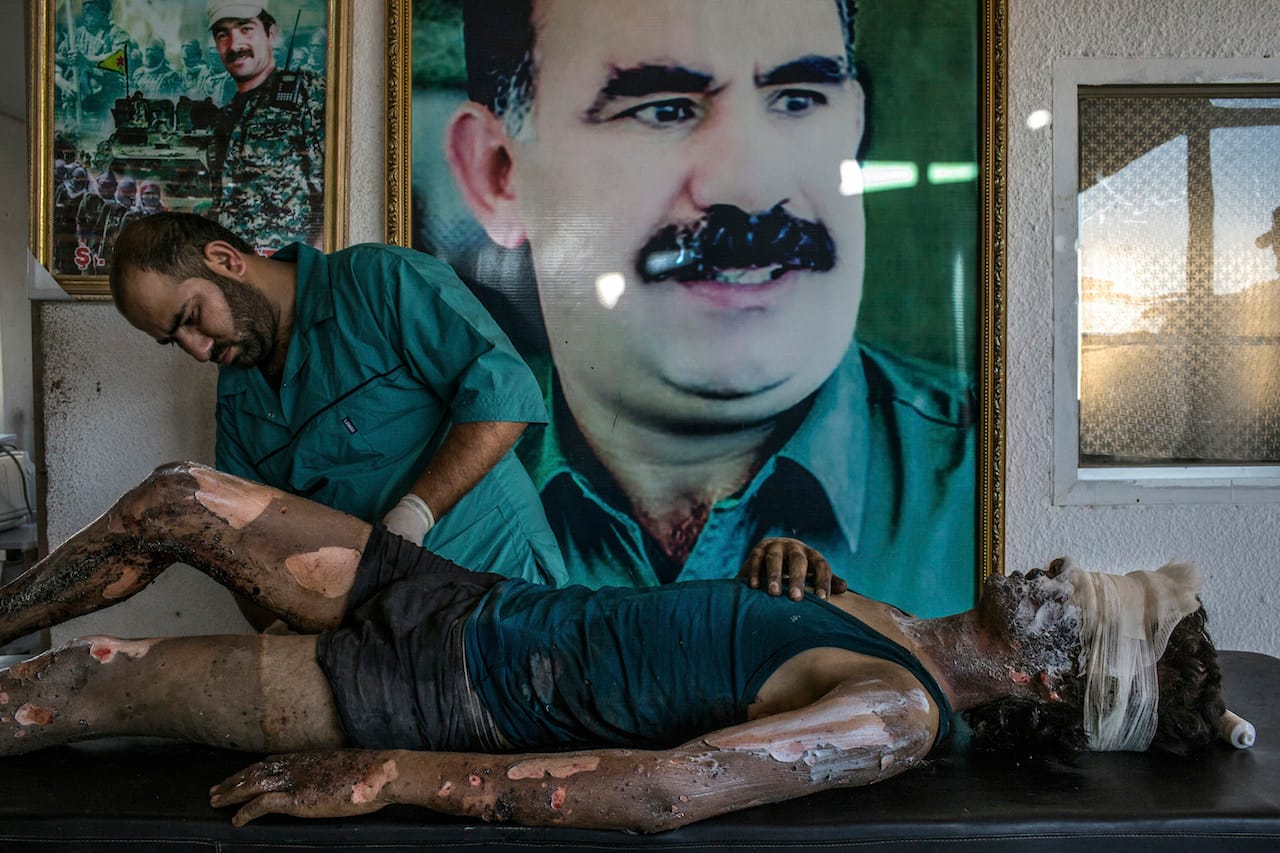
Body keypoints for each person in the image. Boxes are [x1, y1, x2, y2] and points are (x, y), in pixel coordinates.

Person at [0, 462, 1229, 832]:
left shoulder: (897, 716)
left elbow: (657, 788)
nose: (1063, 573)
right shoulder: (885, 613)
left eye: (1087, 601)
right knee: (173, 498)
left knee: (68, 689)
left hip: (442, 689)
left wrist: (386, 773)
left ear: (1051, 679)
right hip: (465, 596)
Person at [442, 0, 976, 615]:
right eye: (663, 110)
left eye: (798, 98)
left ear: (853, 123)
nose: (754, 185)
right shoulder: (441, 495)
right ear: (498, 173)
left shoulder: (986, 482)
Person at [108, 212, 567, 590]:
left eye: (191, 317)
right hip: (387, 625)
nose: (198, 350)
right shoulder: (237, 399)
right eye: (174, 341)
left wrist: (417, 512)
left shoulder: (380, 281)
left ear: (226, 260)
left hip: (499, 579)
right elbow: (246, 539)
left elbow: (505, 395)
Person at [206, 0, 326, 254]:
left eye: (245, 28)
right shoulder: (226, 114)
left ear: (271, 34)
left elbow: (338, 190)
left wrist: (311, 270)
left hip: (286, 273)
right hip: (236, 272)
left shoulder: (307, 92)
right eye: (222, 34)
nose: (234, 45)